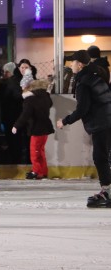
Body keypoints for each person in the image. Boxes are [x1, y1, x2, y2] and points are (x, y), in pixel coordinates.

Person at [57, 50, 111, 208]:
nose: (71, 65)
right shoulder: (96, 76)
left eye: (73, 62)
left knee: (100, 157)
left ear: (79, 65)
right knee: (105, 156)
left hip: (101, 123)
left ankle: (107, 192)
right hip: (107, 120)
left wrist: (65, 121)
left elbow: (83, 109)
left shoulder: (84, 82)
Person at [12, 78, 54, 180]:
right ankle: (43, 171)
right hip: (45, 128)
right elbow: (50, 104)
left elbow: (25, 115)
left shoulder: (30, 100)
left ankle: (37, 171)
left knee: (34, 152)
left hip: (36, 129)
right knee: (40, 151)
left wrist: (16, 125)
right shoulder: (45, 96)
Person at [0, 62, 28, 164]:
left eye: (6, 72)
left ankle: (15, 160)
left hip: (11, 117)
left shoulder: (9, 83)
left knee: (14, 140)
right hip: (16, 116)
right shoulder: (16, 82)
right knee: (17, 140)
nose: (4, 74)